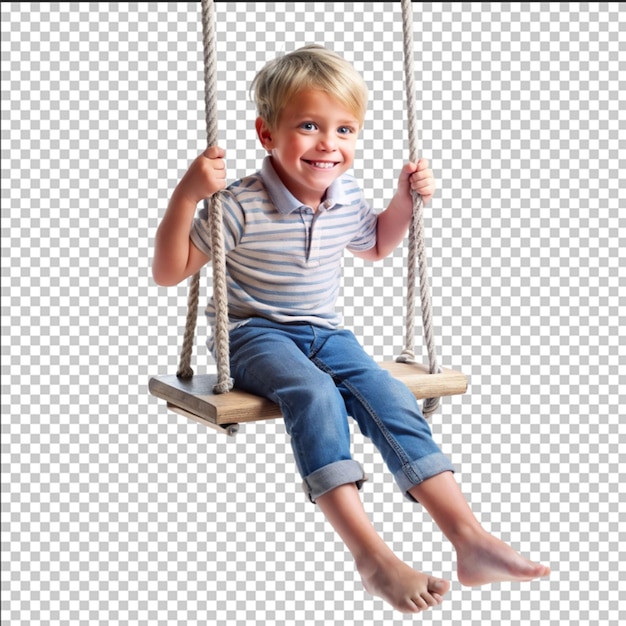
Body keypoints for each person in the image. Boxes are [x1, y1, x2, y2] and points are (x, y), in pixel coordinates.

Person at [152, 44, 550, 614]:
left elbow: (378, 244)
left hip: (328, 333)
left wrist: (404, 201)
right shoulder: (237, 205)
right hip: (252, 336)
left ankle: (469, 537)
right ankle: (371, 556)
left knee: (388, 394)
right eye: (309, 126)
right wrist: (187, 194)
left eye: (345, 129)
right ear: (266, 135)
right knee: (314, 395)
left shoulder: (346, 199)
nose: (328, 145)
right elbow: (169, 274)